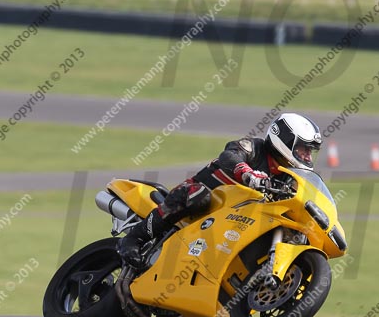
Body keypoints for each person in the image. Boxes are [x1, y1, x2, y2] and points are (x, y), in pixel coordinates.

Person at [118, 112, 322, 268]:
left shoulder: (289, 176)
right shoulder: (254, 147)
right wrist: (247, 173)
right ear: (285, 140)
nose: (307, 156)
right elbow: (229, 155)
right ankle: (134, 238)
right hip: (202, 199)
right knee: (197, 195)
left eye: (310, 151)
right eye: (303, 149)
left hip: (235, 219)